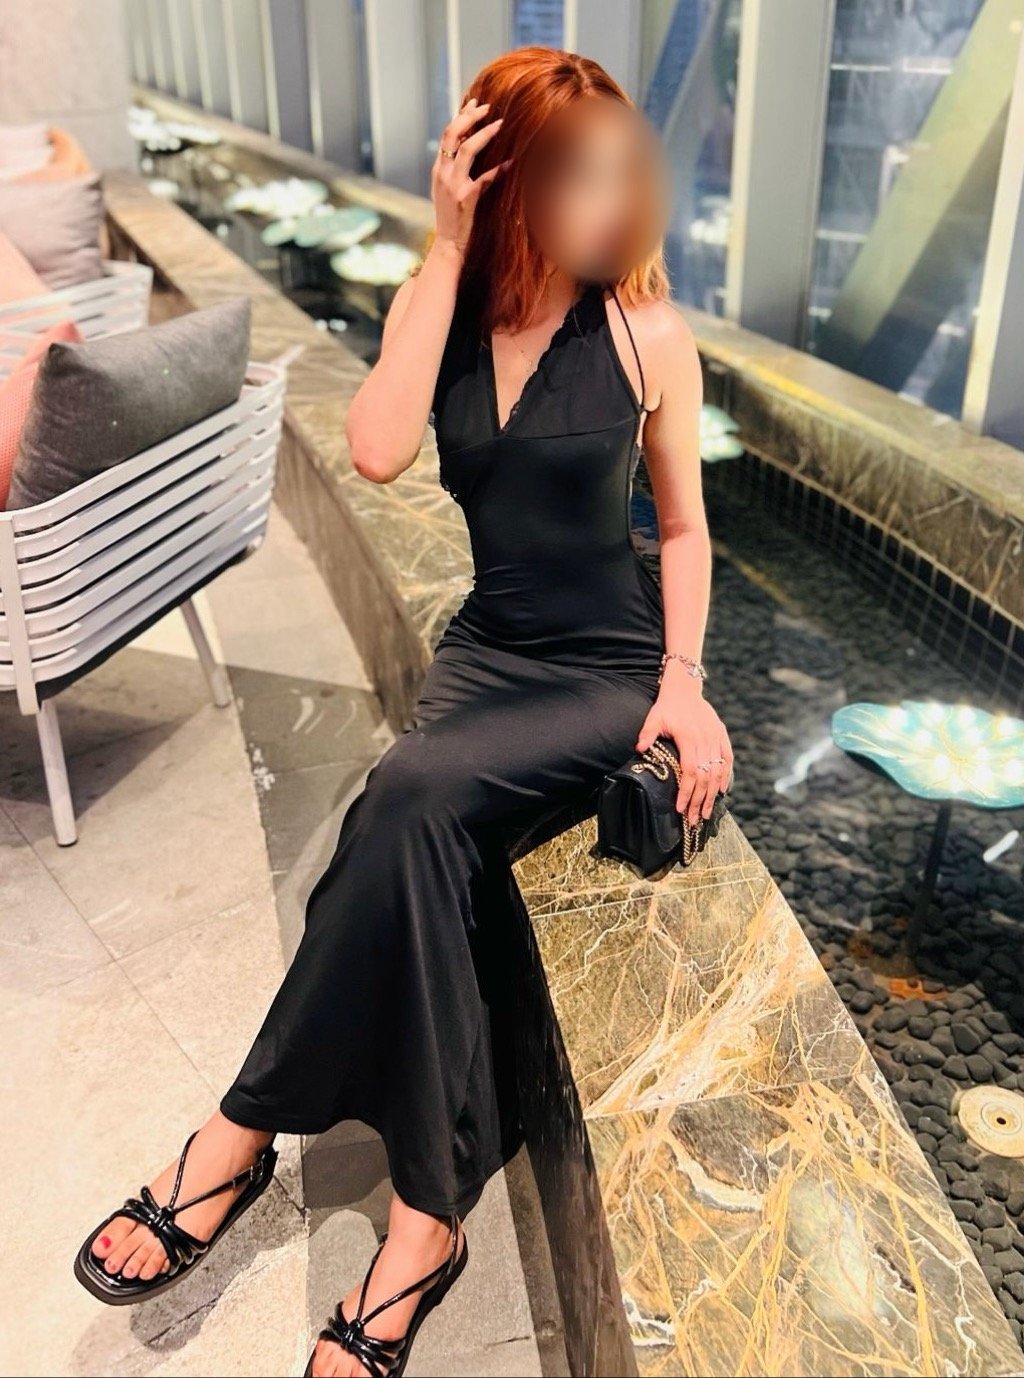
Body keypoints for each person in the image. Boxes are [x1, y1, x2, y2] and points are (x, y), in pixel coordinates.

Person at [73, 46, 732, 1378]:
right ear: (503, 178)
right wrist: (441, 249)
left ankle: (245, 1141)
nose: (605, 199)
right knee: (408, 831)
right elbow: (374, 448)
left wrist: (684, 682)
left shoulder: (648, 333)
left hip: (603, 674)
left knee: (405, 798)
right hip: (491, 652)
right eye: (573, 174)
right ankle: (425, 1220)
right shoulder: (448, 317)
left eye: (614, 173)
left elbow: (682, 528)